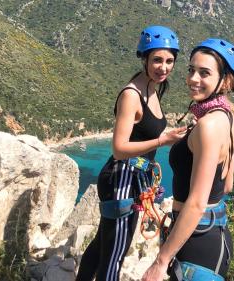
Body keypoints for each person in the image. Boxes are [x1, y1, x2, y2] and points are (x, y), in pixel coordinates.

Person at [77, 25, 186, 281]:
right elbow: (119, 148)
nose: (164, 67)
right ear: (144, 58)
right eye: (157, 60)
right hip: (121, 180)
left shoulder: (153, 88)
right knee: (115, 255)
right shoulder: (131, 95)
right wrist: (162, 140)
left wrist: (171, 138)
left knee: (102, 246)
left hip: (134, 179)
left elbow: (145, 133)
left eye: (170, 61)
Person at [142, 38, 234, 281]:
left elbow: (197, 203)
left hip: (196, 244)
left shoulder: (209, 125)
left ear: (225, 81)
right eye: (191, 70)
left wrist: (160, 262)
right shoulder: (228, 118)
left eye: (204, 73)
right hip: (212, 238)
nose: (193, 79)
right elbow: (227, 185)